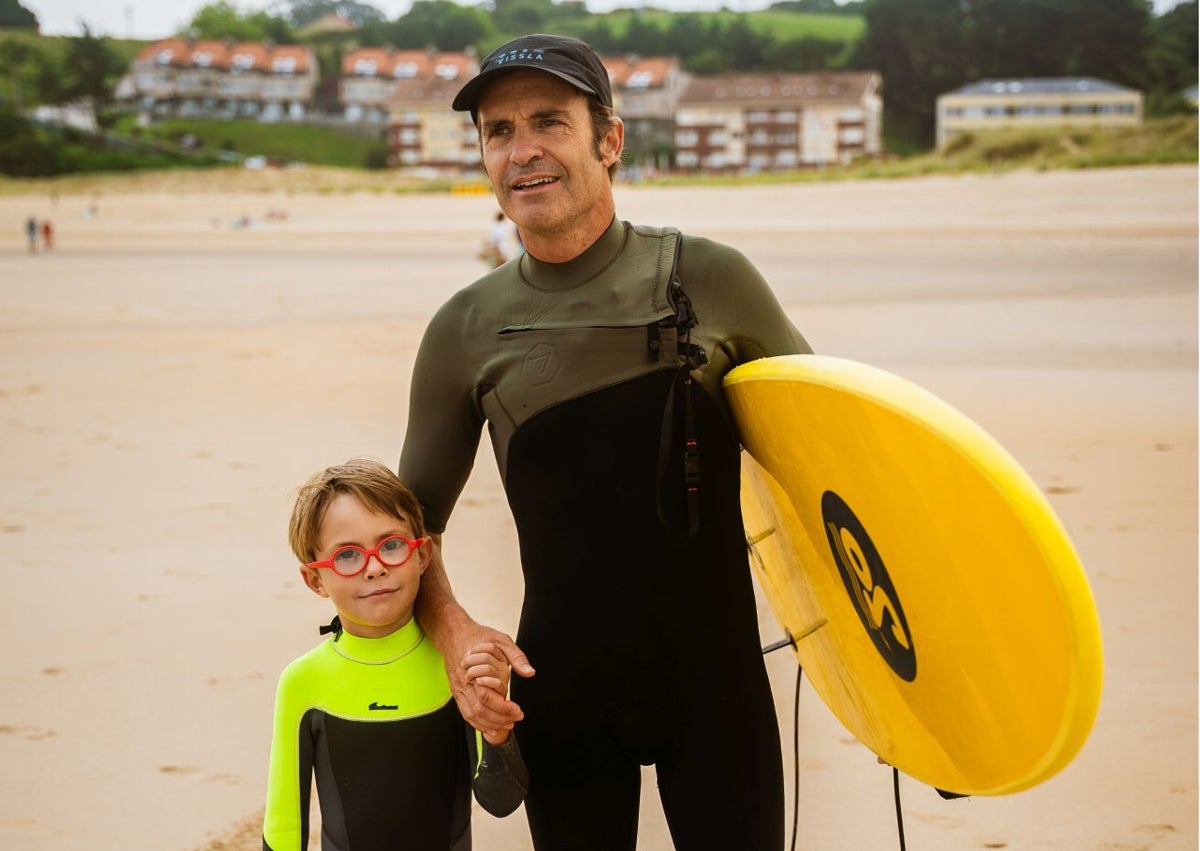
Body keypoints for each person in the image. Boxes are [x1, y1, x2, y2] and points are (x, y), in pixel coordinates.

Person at [399, 34, 811, 850]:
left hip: (716, 687)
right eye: (498, 131)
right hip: (560, 693)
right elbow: (406, 529)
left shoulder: (712, 278)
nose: (523, 151)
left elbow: (835, 454)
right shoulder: (464, 328)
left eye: (548, 121)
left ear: (610, 139)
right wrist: (454, 634)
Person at [263, 459, 527, 851]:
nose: (374, 568)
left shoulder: (457, 666)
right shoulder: (304, 681)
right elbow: (285, 824)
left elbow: (501, 800)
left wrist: (496, 733)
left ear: (422, 556)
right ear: (315, 579)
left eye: (392, 545)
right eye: (347, 556)